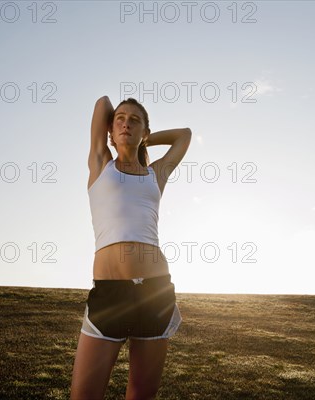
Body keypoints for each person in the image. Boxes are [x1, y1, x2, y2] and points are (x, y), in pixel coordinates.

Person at [70, 96, 192, 400]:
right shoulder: (100, 164)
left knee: (141, 395)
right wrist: (119, 129)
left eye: (134, 120)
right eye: (120, 119)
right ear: (109, 133)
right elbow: (102, 103)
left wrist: (143, 137)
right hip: (110, 293)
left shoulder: (156, 175)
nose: (126, 123)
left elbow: (184, 135)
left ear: (145, 132)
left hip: (155, 292)